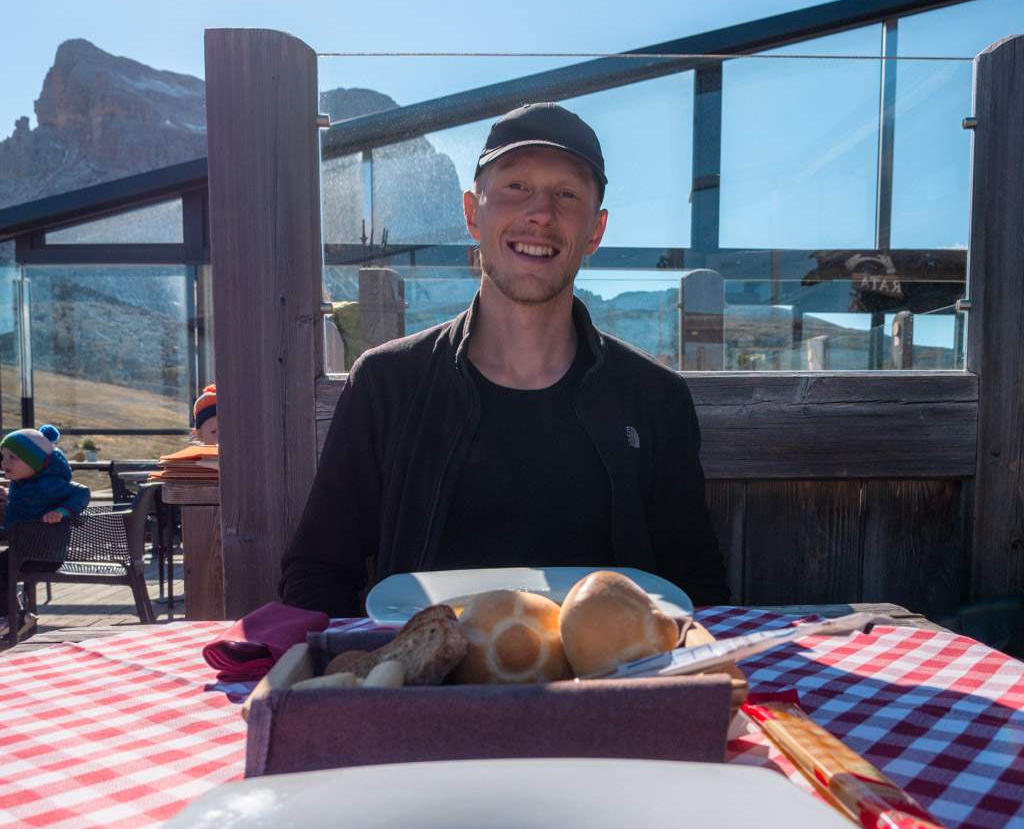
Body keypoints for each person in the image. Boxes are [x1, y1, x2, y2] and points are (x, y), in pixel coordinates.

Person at [280, 102, 728, 616]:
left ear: (595, 232)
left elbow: (699, 588)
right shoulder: (388, 385)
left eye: (566, 194)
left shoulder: (655, 399)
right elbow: (316, 574)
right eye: (516, 187)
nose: (540, 214)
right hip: (432, 688)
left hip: (609, 685)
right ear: (473, 213)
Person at [0, 425, 91, 631]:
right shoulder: (20, 485)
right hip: (23, 549)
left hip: (46, 554)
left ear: (36, 462)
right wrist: (5, 502)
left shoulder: (52, 483)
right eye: (3, 456)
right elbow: (18, 515)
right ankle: (16, 614)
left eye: (13, 457)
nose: (5, 462)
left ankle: (13, 616)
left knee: (2, 570)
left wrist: (62, 511)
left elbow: (82, 493)